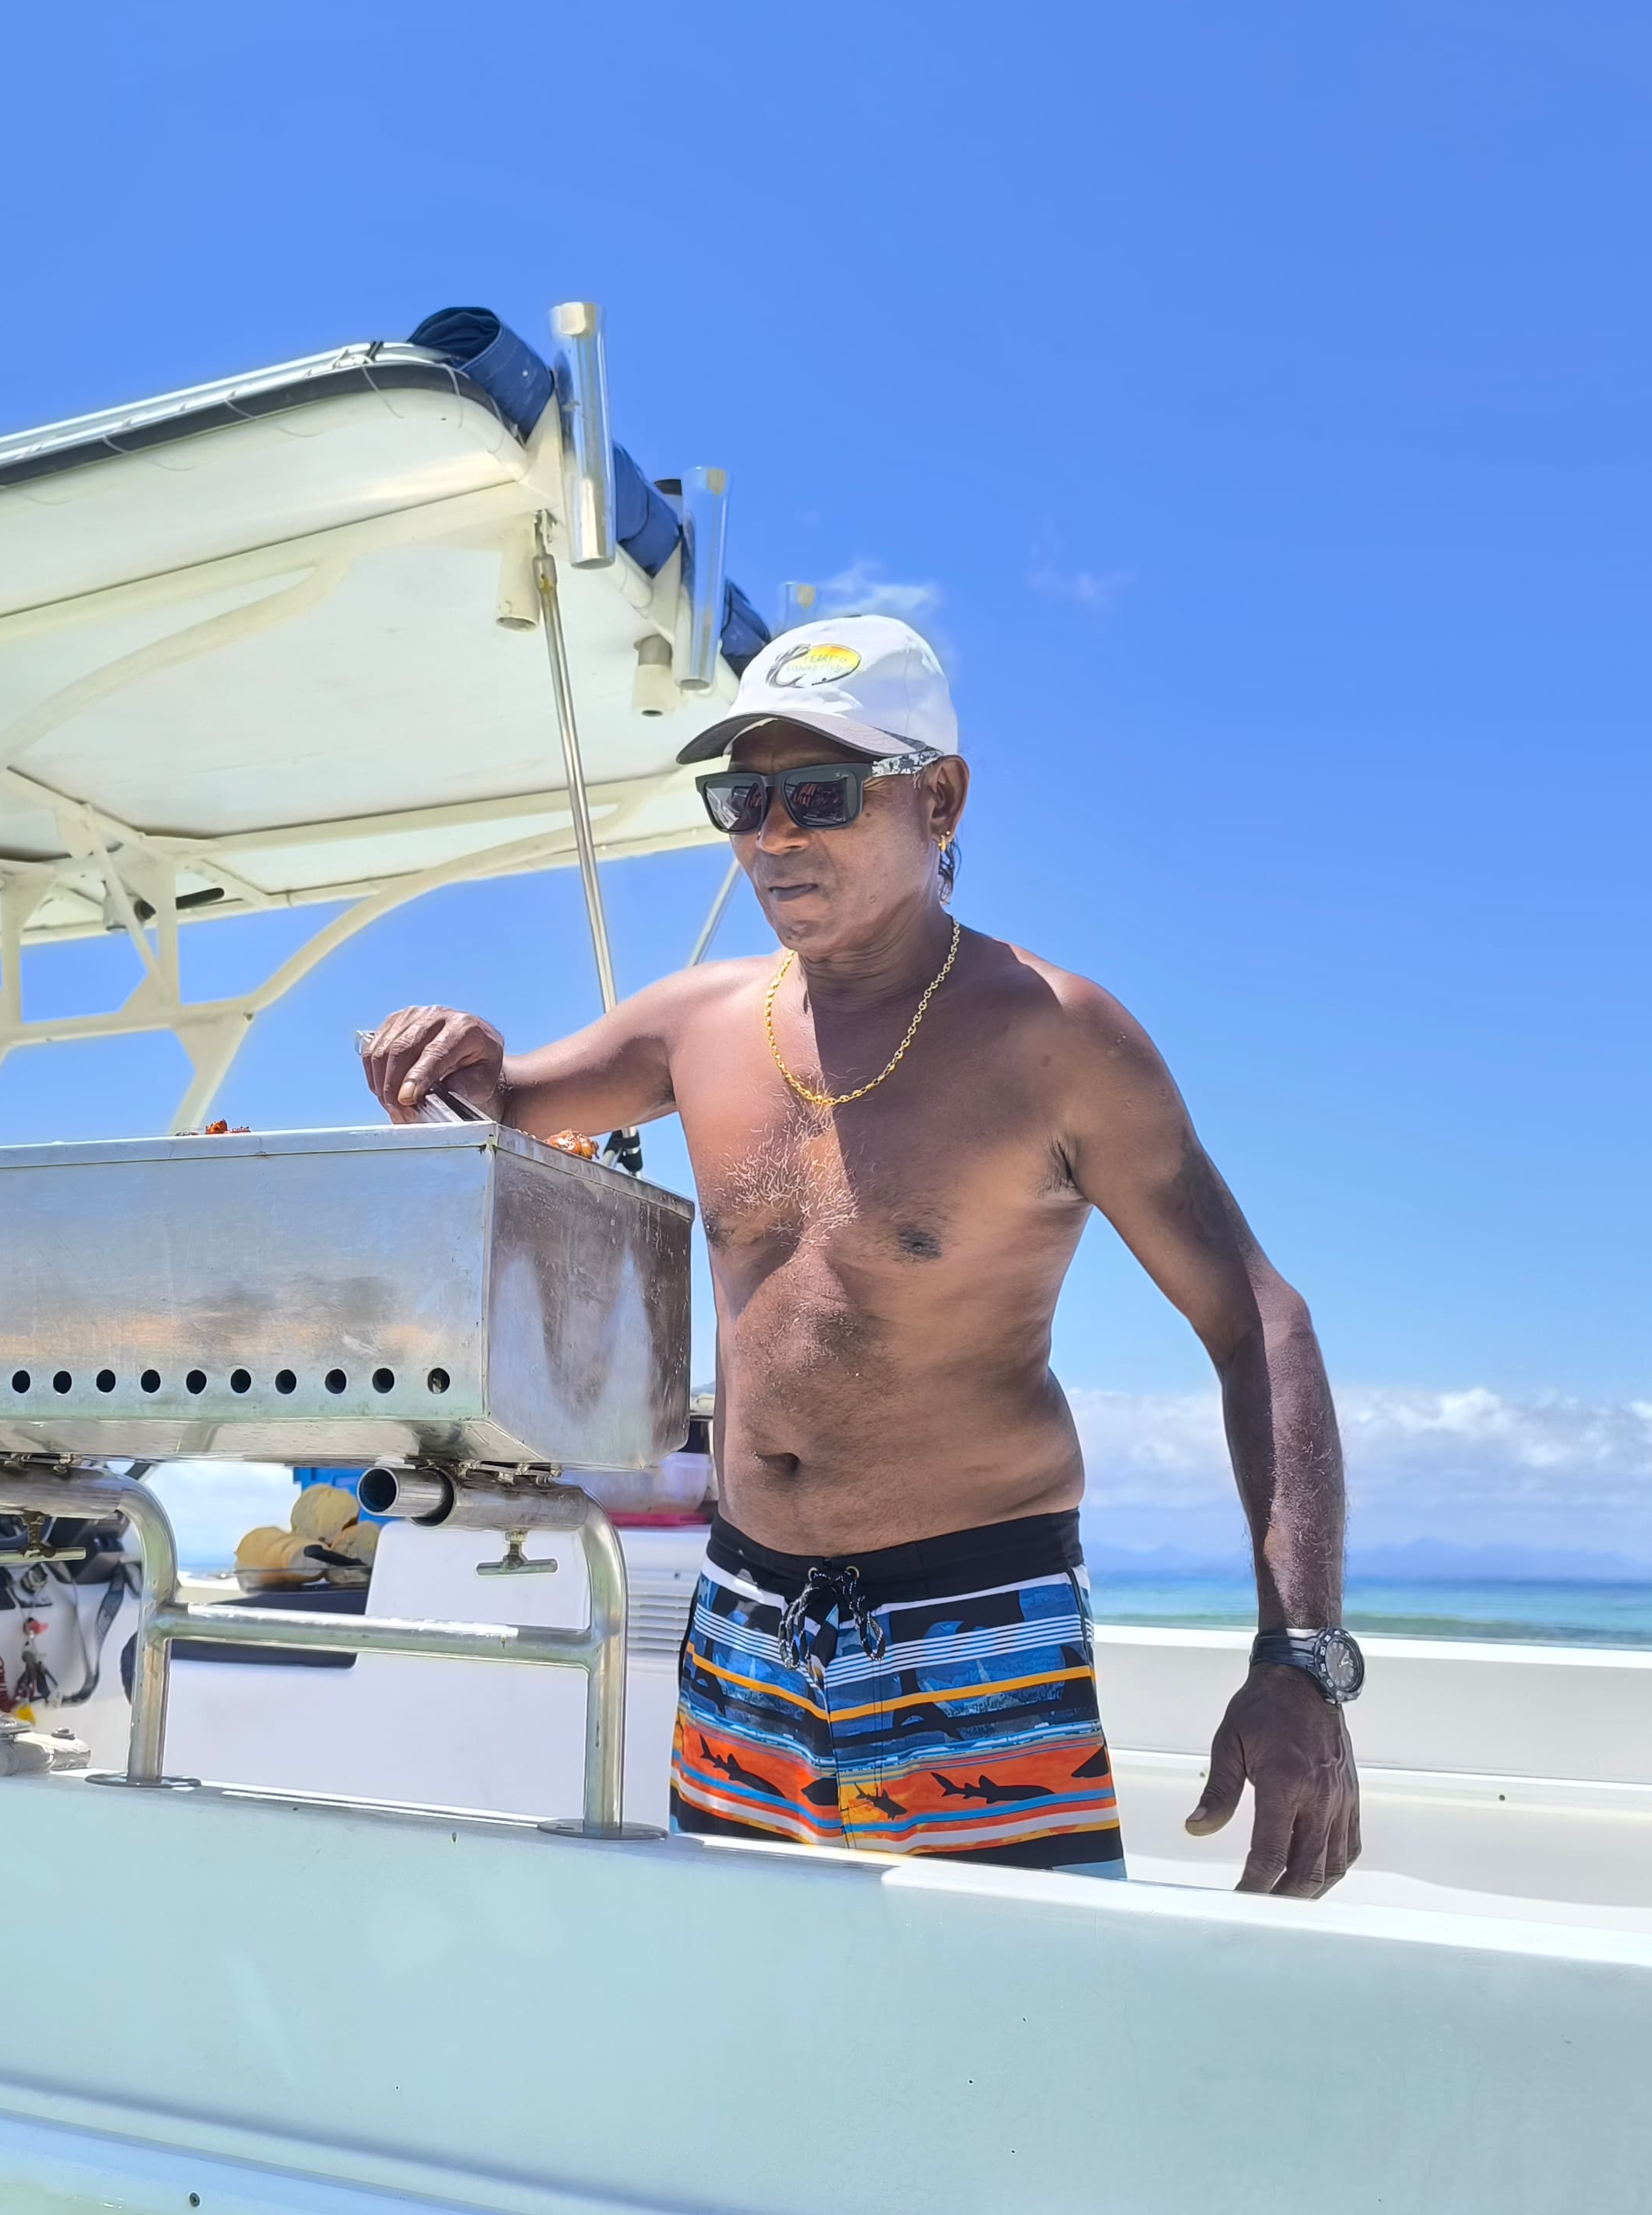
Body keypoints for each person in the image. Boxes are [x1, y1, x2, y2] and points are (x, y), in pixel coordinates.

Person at [362, 615, 1361, 1894]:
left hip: (976, 1620)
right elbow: (497, 1105)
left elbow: (1257, 1323)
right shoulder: (695, 1024)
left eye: (821, 793)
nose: (774, 834)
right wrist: (444, 1049)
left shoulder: (1056, 1039)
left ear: (938, 797)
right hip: (743, 1617)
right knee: (749, 1993)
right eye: (745, 796)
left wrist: (1300, 1657)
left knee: (1004, 2019)